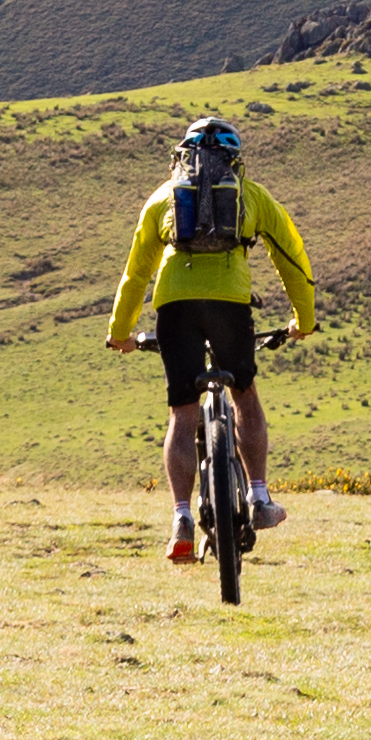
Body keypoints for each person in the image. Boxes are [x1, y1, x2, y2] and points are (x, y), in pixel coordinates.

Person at [104, 113, 317, 563]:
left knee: (182, 415)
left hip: (175, 308)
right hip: (228, 304)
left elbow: (136, 272)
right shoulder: (251, 196)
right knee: (244, 395)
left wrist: (121, 333)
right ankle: (259, 497)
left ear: (184, 157)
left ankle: (181, 516)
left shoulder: (163, 198)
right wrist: (304, 319)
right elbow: (292, 258)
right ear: (235, 159)